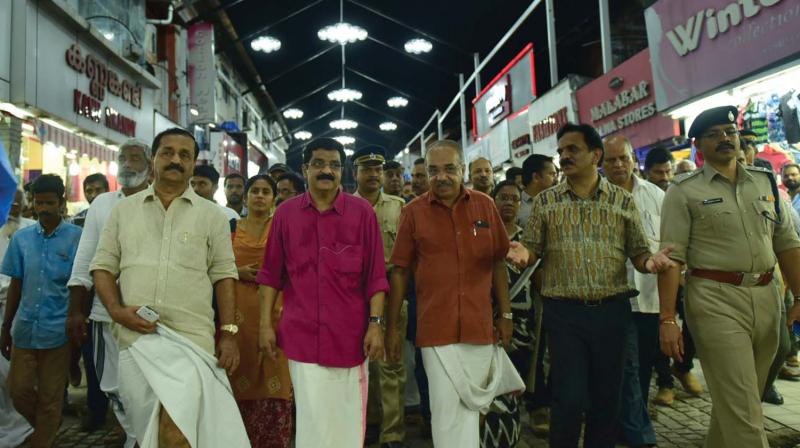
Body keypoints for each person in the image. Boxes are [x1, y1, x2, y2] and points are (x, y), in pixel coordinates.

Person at [508, 123, 675, 448]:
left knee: (606, 401)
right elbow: (533, 250)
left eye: (572, 150)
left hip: (611, 314)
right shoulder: (546, 202)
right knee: (568, 400)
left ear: (595, 154)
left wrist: (650, 262)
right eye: (561, 152)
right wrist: (523, 253)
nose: (564, 157)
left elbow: (639, 252)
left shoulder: (622, 202)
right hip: (564, 315)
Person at [91, 128, 247, 447]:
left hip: (191, 340)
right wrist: (118, 312)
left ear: (192, 165)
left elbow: (224, 275)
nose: (175, 160)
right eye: (167, 152)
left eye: (184, 155)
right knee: (146, 431)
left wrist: (229, 333)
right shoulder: (124, 211)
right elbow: (102, 267)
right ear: (154, 159)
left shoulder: (212, 216)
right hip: (136, 339)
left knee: (178, 435)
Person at [659, 106, 800, 448]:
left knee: (740, 398)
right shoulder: (683, 191)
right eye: (714, 134)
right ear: (698, 146)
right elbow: (671, 257)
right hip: (714, 299)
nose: (725, 138)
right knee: (744, 408)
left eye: (730, 131)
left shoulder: (765, 182)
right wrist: (667, 319)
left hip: (768, 298)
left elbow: (787, 243)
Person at [386, 139, 522, 448]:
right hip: (435, 331)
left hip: (480, 326)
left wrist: (507, 313)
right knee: (445, 411)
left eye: (449, 169)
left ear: (462, 170)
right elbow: (400, 272)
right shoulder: (413, 212)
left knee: (476, 410)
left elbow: (497, 262)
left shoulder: (485, 206)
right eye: (433, 170)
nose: (441, 177)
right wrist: (391, 328)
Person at [256, 137, 389, 448]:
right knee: (312, 421)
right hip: (301, 338)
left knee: (347, 422)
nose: (326, 170)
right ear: (305, 169)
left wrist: (376, 324)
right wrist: (264, 326)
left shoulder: (362, 213)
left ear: (343, 171)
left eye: (333, 165)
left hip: (351, 338)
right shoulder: (286, 215)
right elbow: (270, 276)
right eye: (318, 164)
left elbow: (376, 277)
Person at [66, 139, 151, 446]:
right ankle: (134, 437)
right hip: (105, 315)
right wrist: (76, 311)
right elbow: (84, 261)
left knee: (147, 387)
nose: (127, 163)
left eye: (135, 158)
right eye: (122, 158)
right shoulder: (102, 204)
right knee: (112, 385)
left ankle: (144, 439)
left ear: (149, 167)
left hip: (149, 316)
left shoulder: (160, 202)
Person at [1, 174, 82, 447]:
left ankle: (43, 438)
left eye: (49, 203)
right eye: (39, 203)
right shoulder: (22, 239)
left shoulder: (77, 239)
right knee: (17, 390)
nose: (43, 209)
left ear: (61, 203)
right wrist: (5, 327)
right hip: (24, 328)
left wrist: (77, 322)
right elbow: (16, 284)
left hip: (58, 331)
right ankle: (48, 424)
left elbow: (80, 285)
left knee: (50, 395)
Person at [603, 135, 663, 447]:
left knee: (642, 368)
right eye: (610, 159)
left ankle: (629, 425)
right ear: (601, 163)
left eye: (623, 158)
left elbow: (668, 247)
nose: (617, 165)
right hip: (613, 298)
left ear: (633, 160)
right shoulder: (596, 199)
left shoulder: (655, 196)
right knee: (621, 368)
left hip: (650, 298)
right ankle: (637, 432)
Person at [229, 174, 293, 447]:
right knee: (237, 371)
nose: (259, 195)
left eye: (266, 191)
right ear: (245, 196)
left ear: (273, 198)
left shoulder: (283, 227)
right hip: (237, 313)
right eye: (254, 190)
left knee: (277, 374)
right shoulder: (230, 228)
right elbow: (212, 267)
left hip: (276, 311)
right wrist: (238, 271)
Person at [352, 146, 407, 448]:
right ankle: (369, 424)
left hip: (391, 297)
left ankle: (393, 433)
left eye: (378, 169)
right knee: (358, 365)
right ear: (355, 173)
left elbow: (407, 261)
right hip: (351, 300)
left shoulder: (400, 207)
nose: (374, 175)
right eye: (367, 169)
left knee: (390, 366)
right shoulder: (344, 207)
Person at [481, 180, 532, 448]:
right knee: (491, 381)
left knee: (516, 380)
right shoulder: (483, 234)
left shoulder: (528, 239)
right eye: (503, 197)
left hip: (523, 322)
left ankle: (512, 433)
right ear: (493, 200)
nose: (509, 203)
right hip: (489, 318)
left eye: (514, 199)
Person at [518, 154, 558, 228]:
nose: (556, 179)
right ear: (536, 177)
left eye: (556, 175)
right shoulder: (516, 205)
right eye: (552, 174)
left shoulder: (557, 202)